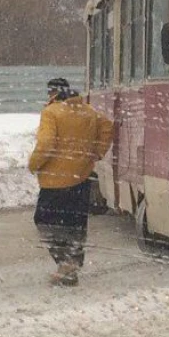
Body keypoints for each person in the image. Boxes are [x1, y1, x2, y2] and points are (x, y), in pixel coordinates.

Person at [29, 78, 113, 286]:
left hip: (55, 182)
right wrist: (96, 153)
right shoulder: (87, 111)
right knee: (75, 224)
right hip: (81, 178)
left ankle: (64, 262)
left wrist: (34, 164)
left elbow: (47, 143)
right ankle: (72, 264)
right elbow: (108, 127)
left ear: (53, 93)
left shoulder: (52, 112)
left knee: (44, 222)